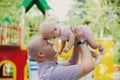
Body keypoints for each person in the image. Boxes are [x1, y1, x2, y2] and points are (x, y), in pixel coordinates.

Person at [27, 27, 95, 80]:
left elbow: (71, 62)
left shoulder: (48, 69)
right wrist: (81, 41)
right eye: (48, 44)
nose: (52, 44)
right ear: (41, 53)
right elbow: (88, 66)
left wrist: (76, 41)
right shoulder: (52, 73)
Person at [39, 21, 104, 65]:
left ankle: (100, 46)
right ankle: (96, 56)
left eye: (53, 36)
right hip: (79, 38)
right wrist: (61, 50)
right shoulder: (58, 34)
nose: (54, 38)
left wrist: (68, 47)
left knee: (93, 45)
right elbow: (63, 41)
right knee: (83, 50)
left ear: (55, 29)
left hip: (84, 32)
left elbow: (72, 36)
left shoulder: (64, 30)